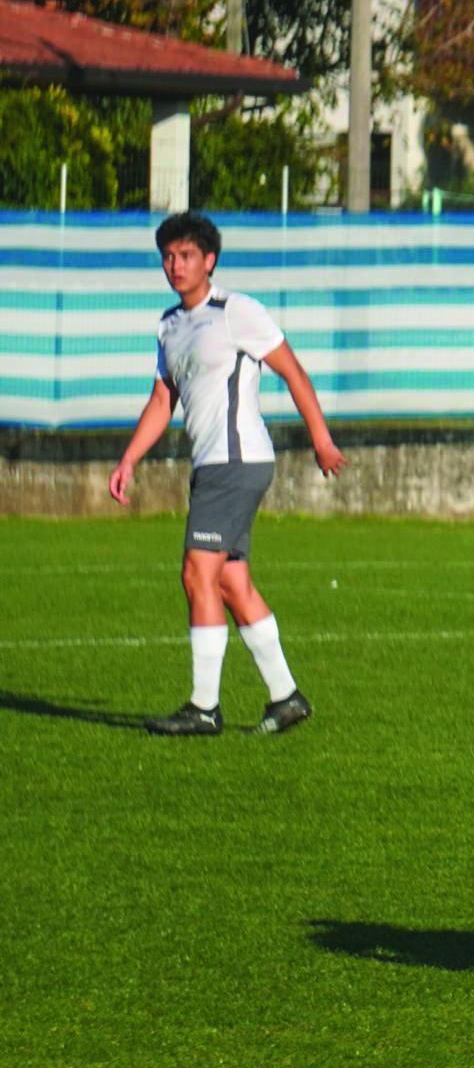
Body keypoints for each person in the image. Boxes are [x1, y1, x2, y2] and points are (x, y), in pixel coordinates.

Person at [109, 211, 345, 736]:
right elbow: (161, 399)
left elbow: (293, 371)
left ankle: (204, 707)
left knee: (197, 574)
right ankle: (285, 697)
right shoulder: (169, 325)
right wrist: (128, 459)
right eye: (168, 256)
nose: (175, 265)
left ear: (209, 261)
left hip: (236, 462)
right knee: (232, 581)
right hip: (213, 465)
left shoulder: (238, 312)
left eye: (186, 255)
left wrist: (321, 439)